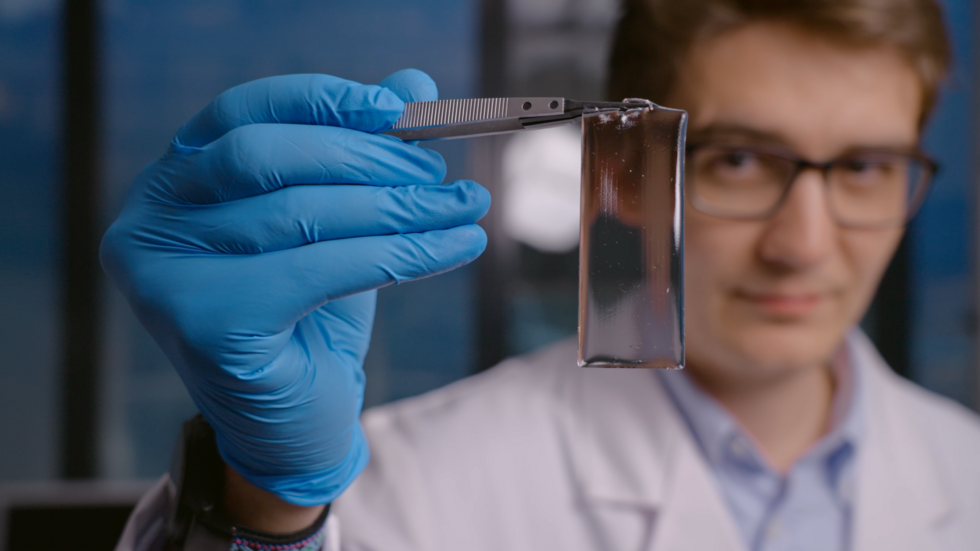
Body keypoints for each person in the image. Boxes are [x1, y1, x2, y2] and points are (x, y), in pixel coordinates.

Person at [109, 0, 980, 550]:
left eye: (865, 168)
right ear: (631, 176)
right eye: (741, 160)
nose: (804, 243)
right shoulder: (409, 490)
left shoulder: (966, 471)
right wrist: (264, 514)